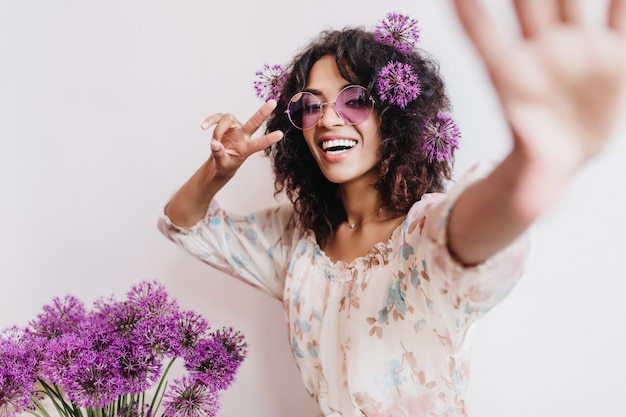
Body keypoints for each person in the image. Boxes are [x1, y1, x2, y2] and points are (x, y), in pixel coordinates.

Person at [158, 1, 626, 416]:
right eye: (310, 106)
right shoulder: (298, 243)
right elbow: (184, 223)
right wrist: (218, 171)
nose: (328, 119)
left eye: (355, 100)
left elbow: (473, 231)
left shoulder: (423, 235)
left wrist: (530, 167)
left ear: (396, 116)